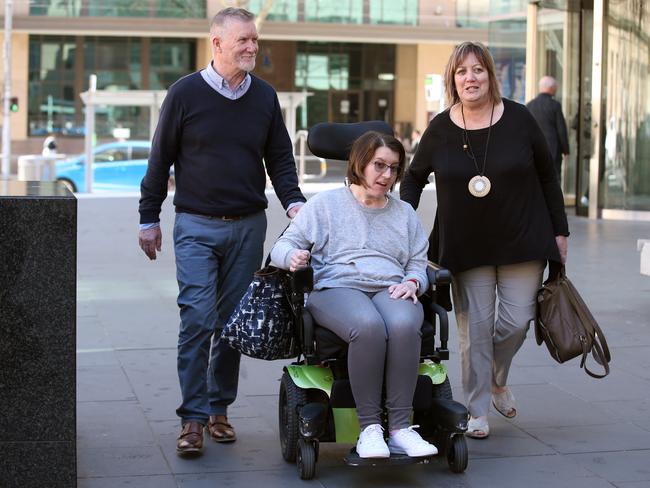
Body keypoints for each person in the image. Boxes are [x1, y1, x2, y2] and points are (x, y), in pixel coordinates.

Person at [138, 7, 306, 456]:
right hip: (195, 225)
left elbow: (281, 160)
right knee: (196, 318)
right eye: (244, 41)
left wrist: (295, 204)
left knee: (233, 324)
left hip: (248, 227)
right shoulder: (185, 94)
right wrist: (148, 218)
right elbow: (159, 160)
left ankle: (218, 410)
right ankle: (192, 419)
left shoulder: (265, 98)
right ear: (217, 43)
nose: (252, 48)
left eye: (255, 40)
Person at [400, 42, 569, 439]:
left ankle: (496, 378)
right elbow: (412, 177)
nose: (470, 78)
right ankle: (476, 408)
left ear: (491, 76)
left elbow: (548, 176)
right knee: (474, 329)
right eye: (462, 72)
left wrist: (559, 231)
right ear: (452, 80)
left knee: (516, 321)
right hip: (465, 245)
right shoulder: (441, 128)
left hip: (523, 238)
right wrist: (403, 222)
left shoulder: (521, 119)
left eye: (478, 70)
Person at [270, 131, 438, 459]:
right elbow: (283, 245)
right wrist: (292, 258)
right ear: (359, 164)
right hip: (337, 287)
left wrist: (414, 282)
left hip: (389, 286)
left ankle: (402, 429)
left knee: (404, 324)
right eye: (379, 166)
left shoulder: (404, 213)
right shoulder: (325, 205)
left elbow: (418, 262)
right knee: (368, 325)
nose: (386, 175)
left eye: (393, 168)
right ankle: (370, 429)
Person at [526, 76, 570, 181]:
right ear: (551, 88)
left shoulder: (529, 105)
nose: (556, 89)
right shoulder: (555, 105)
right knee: (553, 178)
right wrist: (566, 150)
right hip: (552, 149)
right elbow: (561, 129)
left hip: (533, 150)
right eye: (555, 87)